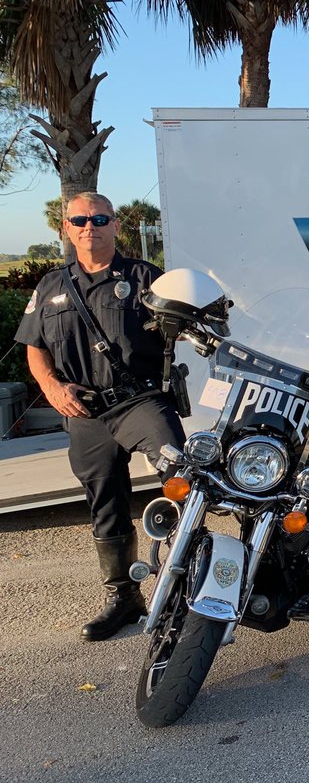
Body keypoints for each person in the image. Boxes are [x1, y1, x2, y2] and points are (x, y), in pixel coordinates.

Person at [14, 192, 184, 640]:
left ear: (115, 227)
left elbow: (185, 322)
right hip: (84, 410)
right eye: (80, 220)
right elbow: (35, 348)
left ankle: (191, 583)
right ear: (66, 229)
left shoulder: (146, 277)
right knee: (104, 505)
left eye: (100, 218)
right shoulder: (51, 286)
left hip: (140, 401)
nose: (90, 226)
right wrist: (51, 387)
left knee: (184, 478)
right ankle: (124, 600)